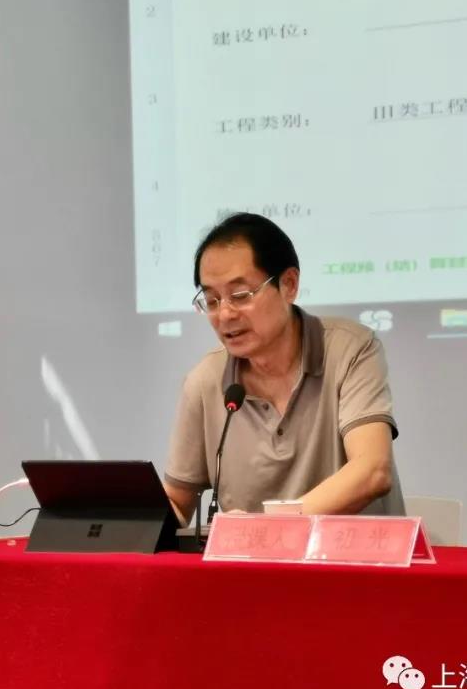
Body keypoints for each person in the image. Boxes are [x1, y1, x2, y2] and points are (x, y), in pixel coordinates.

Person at [163, 212, 404, 526]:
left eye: (240, 296)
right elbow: (177, 503)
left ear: (289, 284)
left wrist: (267, 527)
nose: (225, 315)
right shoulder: (205, 381)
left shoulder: (350, 350)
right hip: (249, 558)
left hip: (352, 555)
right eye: (211, 300)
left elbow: (372, 471)